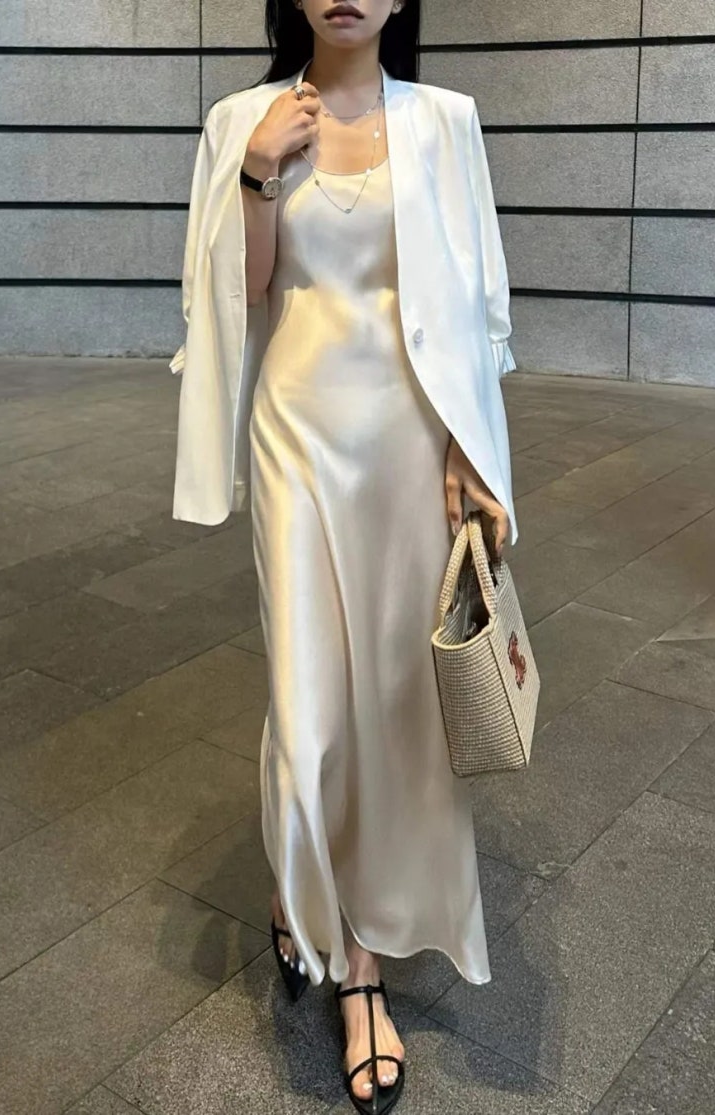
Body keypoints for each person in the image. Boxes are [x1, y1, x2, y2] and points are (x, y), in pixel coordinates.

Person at [171, 2, 517, 1111]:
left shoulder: (447, 120)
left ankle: (352, 942)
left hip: (412, 452)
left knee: (397, 705)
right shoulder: (242, 120)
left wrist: (470, 452)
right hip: (297, 442)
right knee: (309, 698)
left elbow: (479, 307)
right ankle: (326, 927)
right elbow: (237, 301)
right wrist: (256, 176)